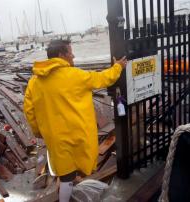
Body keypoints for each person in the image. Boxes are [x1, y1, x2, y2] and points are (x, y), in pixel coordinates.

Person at [23, 39, 126, 202]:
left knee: (65, 171)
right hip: (76, 135)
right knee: (68, 176)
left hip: (55, 138)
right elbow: (103, 78)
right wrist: (118, 66)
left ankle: (69, 183)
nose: (74, 56)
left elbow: (29, 111)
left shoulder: (34, 82)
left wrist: (39, 132)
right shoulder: (76, 76)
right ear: (61, 55)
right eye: (71, 53)